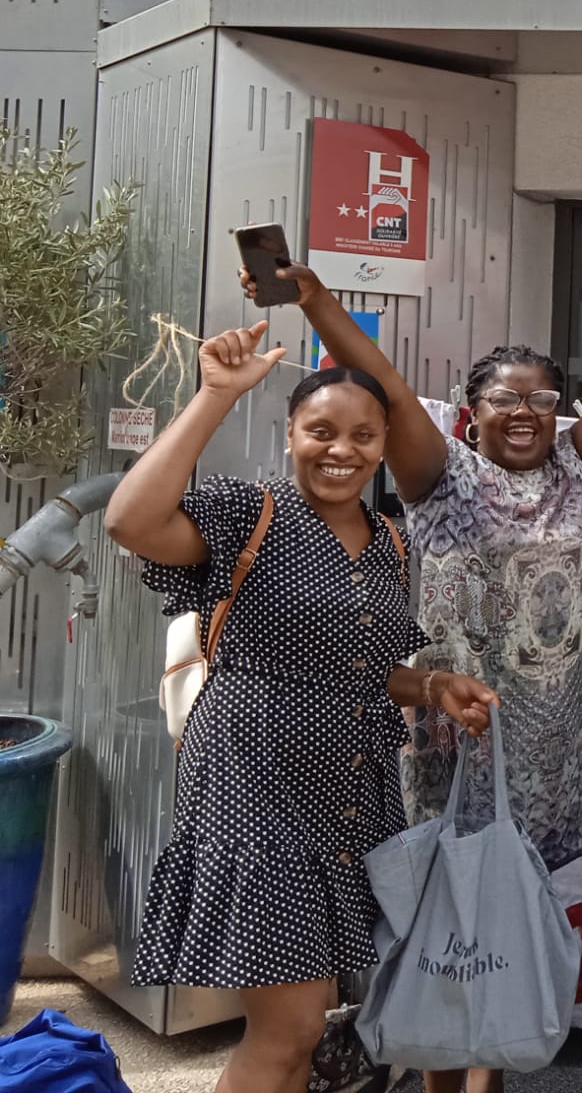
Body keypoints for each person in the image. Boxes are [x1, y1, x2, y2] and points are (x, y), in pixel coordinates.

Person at [267, 251, 582, 1093]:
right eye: (504, 399)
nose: (524, 413)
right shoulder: (440, 476)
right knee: (450, 913)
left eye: (541, 399)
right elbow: (383, 380)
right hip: (457, 732)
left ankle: (485, 1078)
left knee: (503, 921)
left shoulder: (575, 467)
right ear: (472, 411)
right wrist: (316, 301)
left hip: (551, 749)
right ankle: (443, 1077)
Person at [106, 323, 496, 1093]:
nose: (339, 449)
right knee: (287, 1029)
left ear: (384, 443)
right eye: (319, 431)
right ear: (290, 435)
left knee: (309, 1022)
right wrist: (217, 395)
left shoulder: (391, 542)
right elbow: (131, 522)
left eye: (360, 434)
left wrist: (428, 687)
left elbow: (360, 668)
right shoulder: (252, 513)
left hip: (349, 799)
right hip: (253, 791)